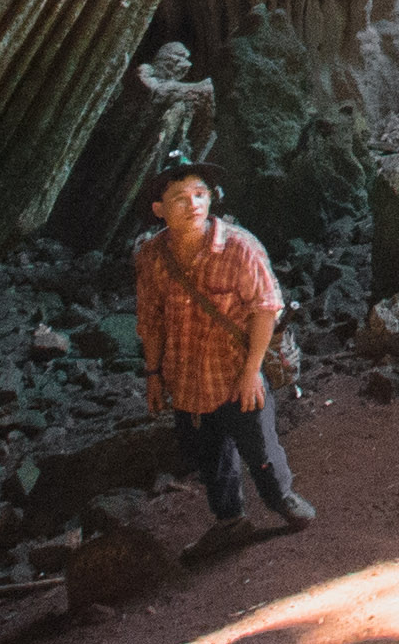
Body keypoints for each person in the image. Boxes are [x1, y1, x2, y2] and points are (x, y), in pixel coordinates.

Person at [131, 167, 315, 538]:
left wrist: (251, 372)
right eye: (180, 199)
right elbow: (151, 321)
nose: (193, 205)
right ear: (158, 209)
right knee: (209, 455)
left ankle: (282, 499)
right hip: (186, 379)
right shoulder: (152, 257)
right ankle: (230, 520)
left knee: (259, 448)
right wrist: (153, 376)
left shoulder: (238, 247)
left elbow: (266, 309)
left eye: (200, 195)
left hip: (234, 373)